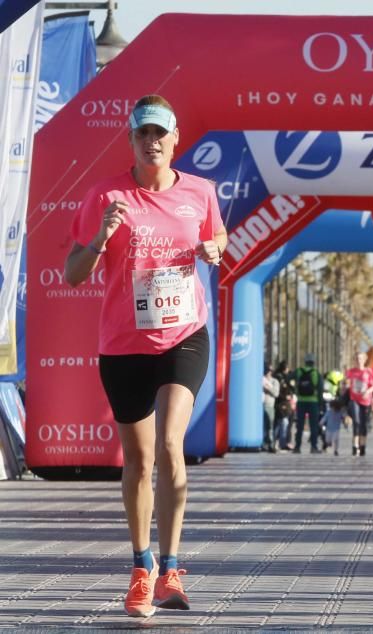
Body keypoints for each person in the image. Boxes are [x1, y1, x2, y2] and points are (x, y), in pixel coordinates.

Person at [64, 95, 227, 617]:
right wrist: (100, 236)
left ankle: (172, 566)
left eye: (160, 133)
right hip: (124, 342)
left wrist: (215, 248)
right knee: (137, 460)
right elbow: (73, 271)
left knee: (171, 444)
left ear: (176, 138)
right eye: (142, 134)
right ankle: (141, 567)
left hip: (184, 335)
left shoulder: (200, 192)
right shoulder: (105, 194)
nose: (152, 141)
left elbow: (217, 235)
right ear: (130, 141)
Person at [345, 351, 373, 456]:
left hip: (365, 400)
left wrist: (367, 392)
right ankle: (355, 446)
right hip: (354, 399)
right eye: (357, 359)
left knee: (364, 424)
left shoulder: (368, 371)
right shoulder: (351, 371)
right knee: (356, 422)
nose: (358, 361)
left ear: (365, 360)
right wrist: (346, 385)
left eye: (360, 358)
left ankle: (363, 445)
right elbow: (347, 383)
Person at [292, 353, 322, 454]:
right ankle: (313, 447)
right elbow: (320, 389)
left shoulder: (298, 371)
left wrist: (293, 389)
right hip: (313, 402)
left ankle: (297, 447)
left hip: (301, 401)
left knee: (299, 425)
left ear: (305, 361)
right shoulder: (315, 373)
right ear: (313, 362)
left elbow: (288, 378)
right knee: (313, 426)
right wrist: (320, 403)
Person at [273, 360, 294, 450]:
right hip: (281, 403)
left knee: (285, 423)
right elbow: (280, 391)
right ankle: (278, 442)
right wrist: (286, 396)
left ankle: (283, 442)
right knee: (281, 423)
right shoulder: (279, 377)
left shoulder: (287, 377)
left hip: (286, 403)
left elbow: (291, 388)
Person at [262, 362, 280, 453]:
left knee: (270, 426)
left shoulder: (275, 381)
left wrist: (268, 388)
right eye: (266, 370)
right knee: (262, 426)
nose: (268, 372)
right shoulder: (260, 379)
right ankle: (262, 443)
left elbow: (276, 393)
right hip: (260, 405)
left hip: (269, 405)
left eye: (269, 370)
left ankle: (270, 444)